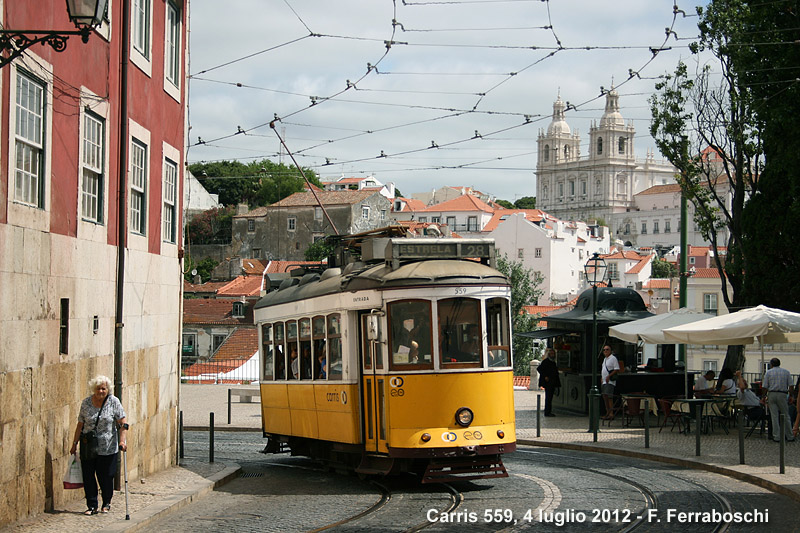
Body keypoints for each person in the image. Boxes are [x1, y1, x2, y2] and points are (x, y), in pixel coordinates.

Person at [69, 375, 127, 515]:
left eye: (103, 389)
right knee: (88, 476)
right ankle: (92, 505)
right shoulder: (86, 403)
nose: (101, 391)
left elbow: (122, 423)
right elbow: (80, 425)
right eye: (98, 389)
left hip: (108, 447)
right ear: (93, 389)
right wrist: (74, 443)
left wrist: (122, 441)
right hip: (88, 446)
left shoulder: (114, 402)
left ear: (108, 389)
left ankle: (106, 502)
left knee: (106, 476)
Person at [762, 357, 795, 442]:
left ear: (771, 364)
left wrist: (764, 396)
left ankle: (776, 436)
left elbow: (765, 386)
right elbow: (791, 386)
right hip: (783, 394)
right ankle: (790, 436)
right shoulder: (786, 372)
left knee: (774, 416)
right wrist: (791, 395)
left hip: (772, 393)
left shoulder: (768, 373)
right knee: (786, 415)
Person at [537, 348, 561, 417]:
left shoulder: (553, 362)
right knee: (548, 398)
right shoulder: (546, 362)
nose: (552, 355)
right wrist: (545, 376)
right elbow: (539, 369)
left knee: (550, 398)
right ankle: (547, 412)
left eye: (553, 354)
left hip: (552, 382)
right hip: (548, 383)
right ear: (549, 354)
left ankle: (548, 411)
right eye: (551, 354)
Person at [600, 344, 620, 420]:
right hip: (604, 381)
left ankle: (611, 413)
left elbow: (617, 369)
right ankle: (607, 412)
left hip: (610, 381)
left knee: (609, 397)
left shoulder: (613, 358)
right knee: (605, 397)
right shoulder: (605, 359)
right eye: (604, 350)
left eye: (607, 349)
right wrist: (602, 377)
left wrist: (609, 376)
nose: (605, 351)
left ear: (610, 351)